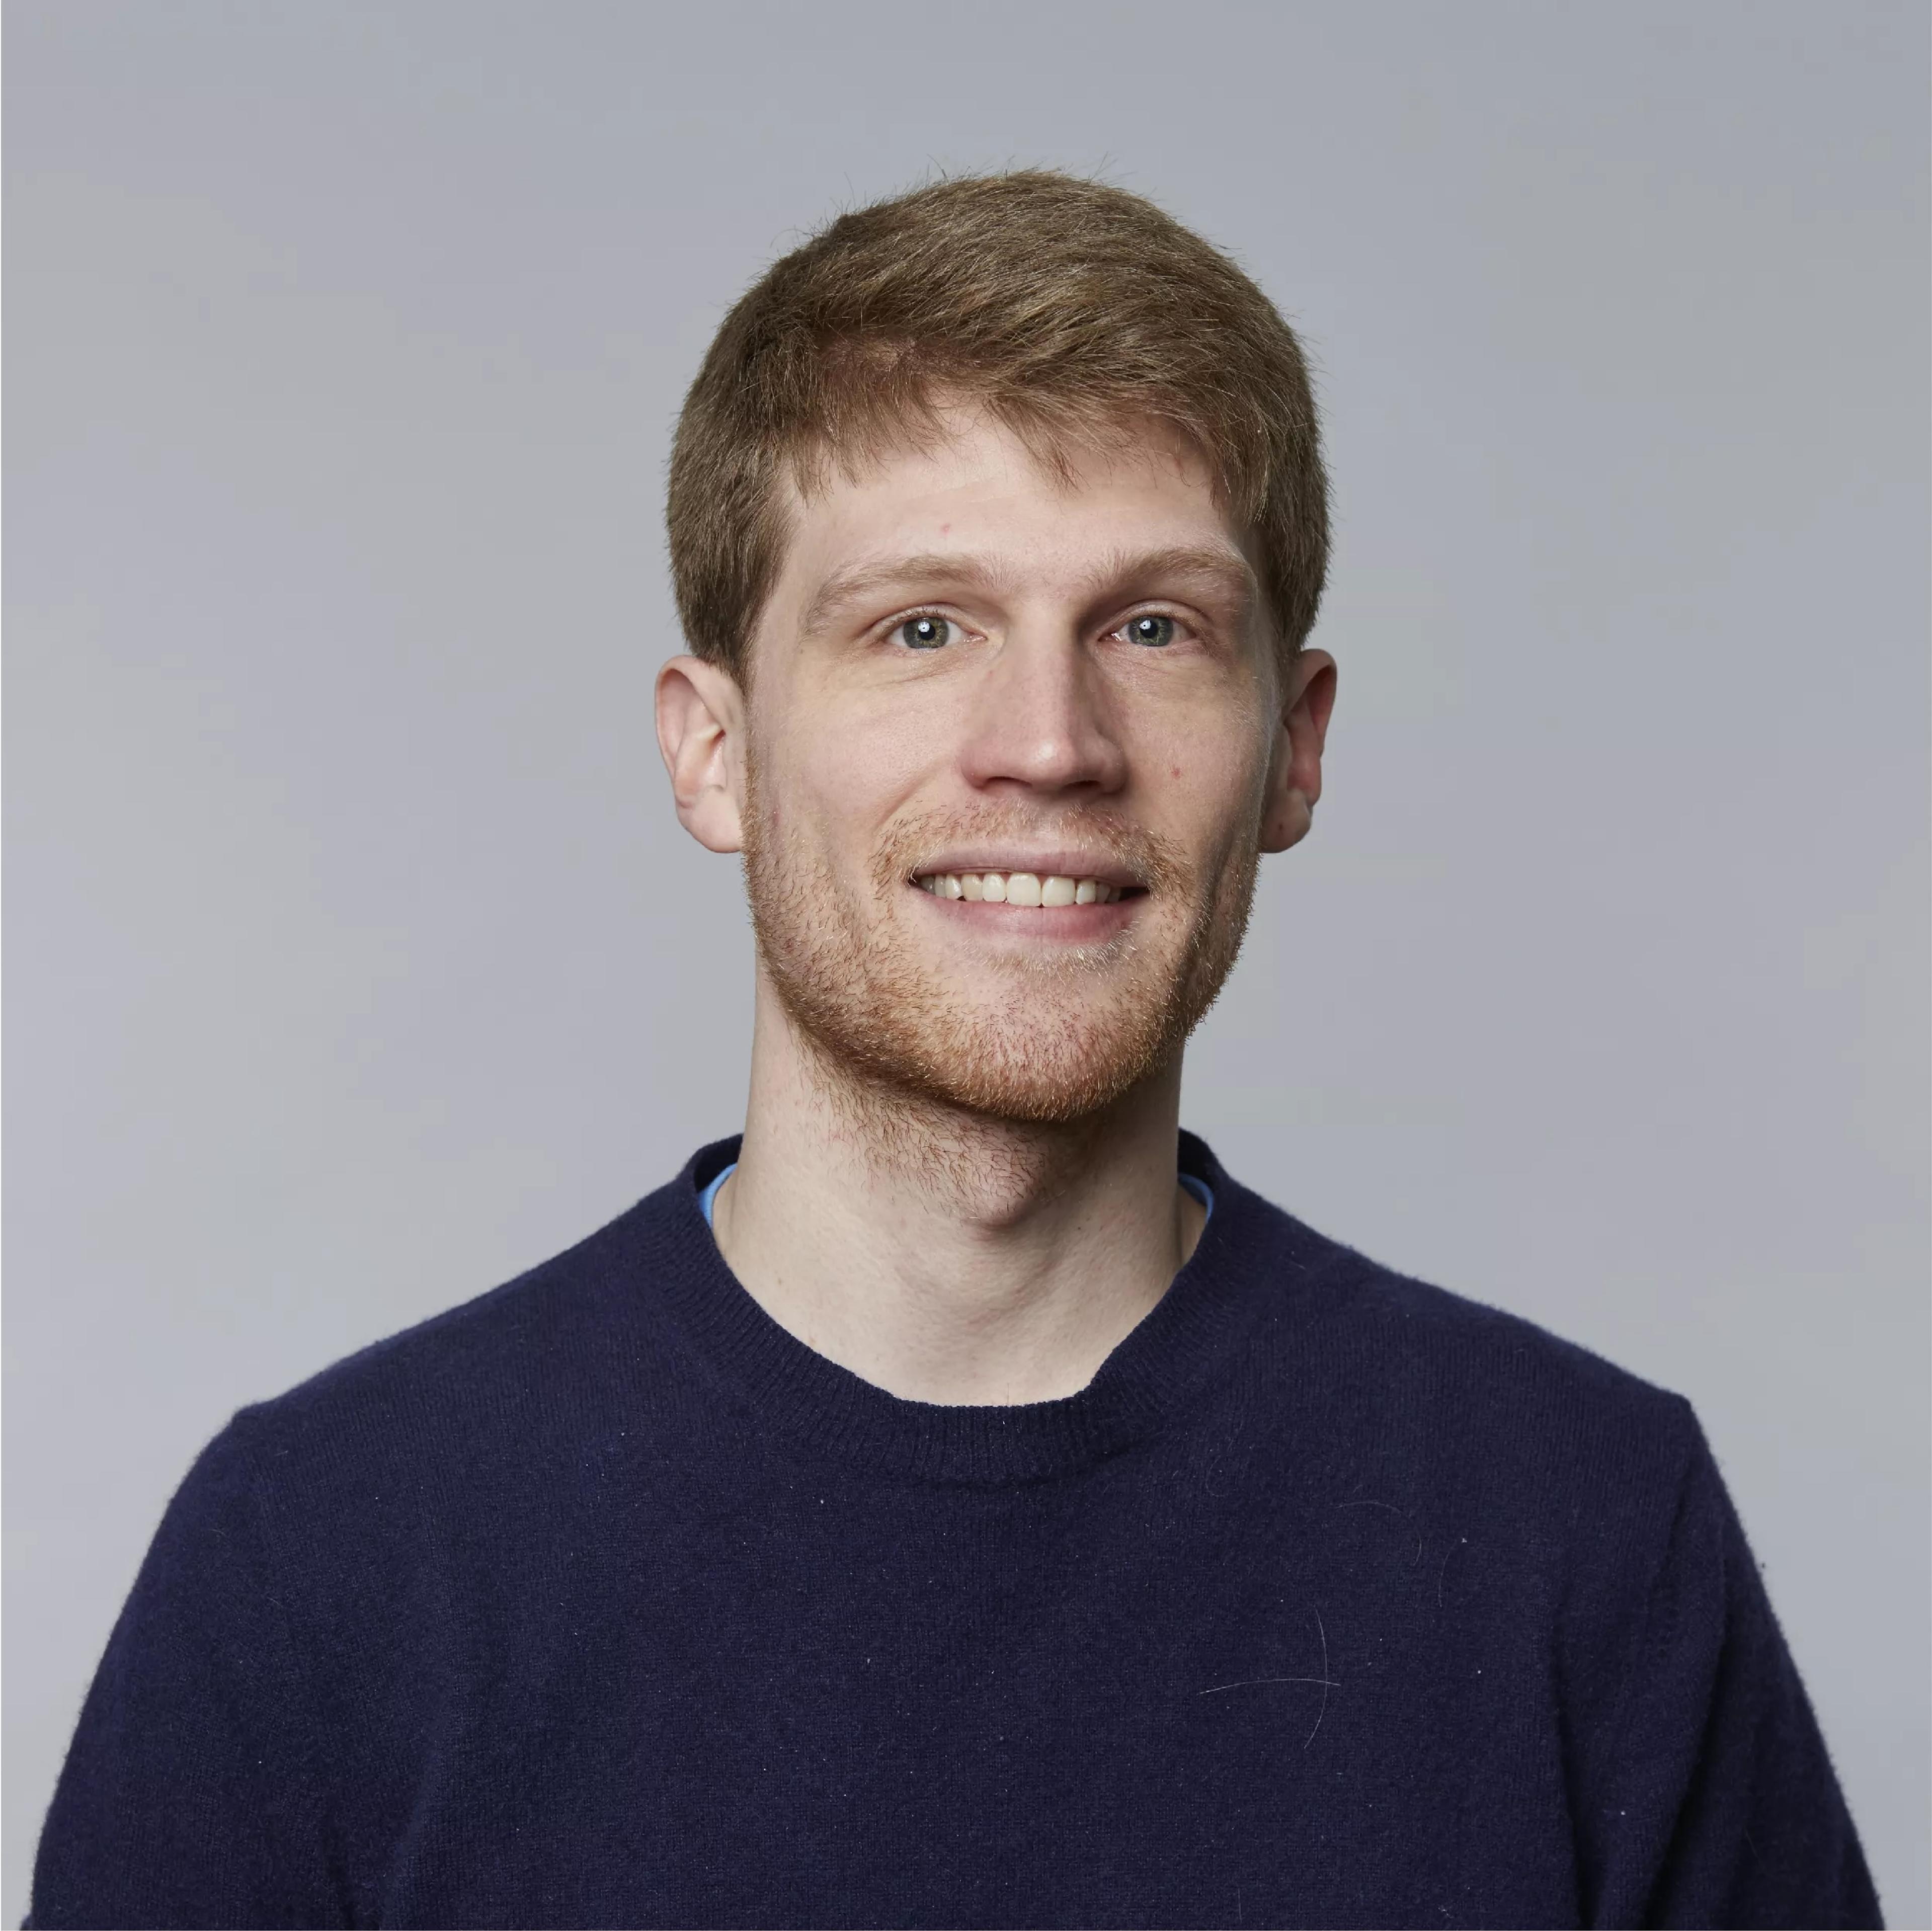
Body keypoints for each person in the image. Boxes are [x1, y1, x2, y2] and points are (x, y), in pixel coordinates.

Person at [29, 172, 1878, 1931]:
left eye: (1153, 627)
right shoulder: (325, 1558)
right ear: (713, 754)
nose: (1049, 742)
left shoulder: (1584, 1530)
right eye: (923, 626)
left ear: (1295, 747)